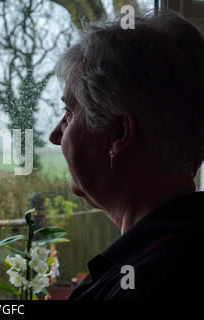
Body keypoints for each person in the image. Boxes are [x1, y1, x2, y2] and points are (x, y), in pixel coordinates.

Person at [49, 10, 204, 300]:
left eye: (69, 113)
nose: (55, 135)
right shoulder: (178, 248)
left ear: (118, 134)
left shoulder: (150, 281)